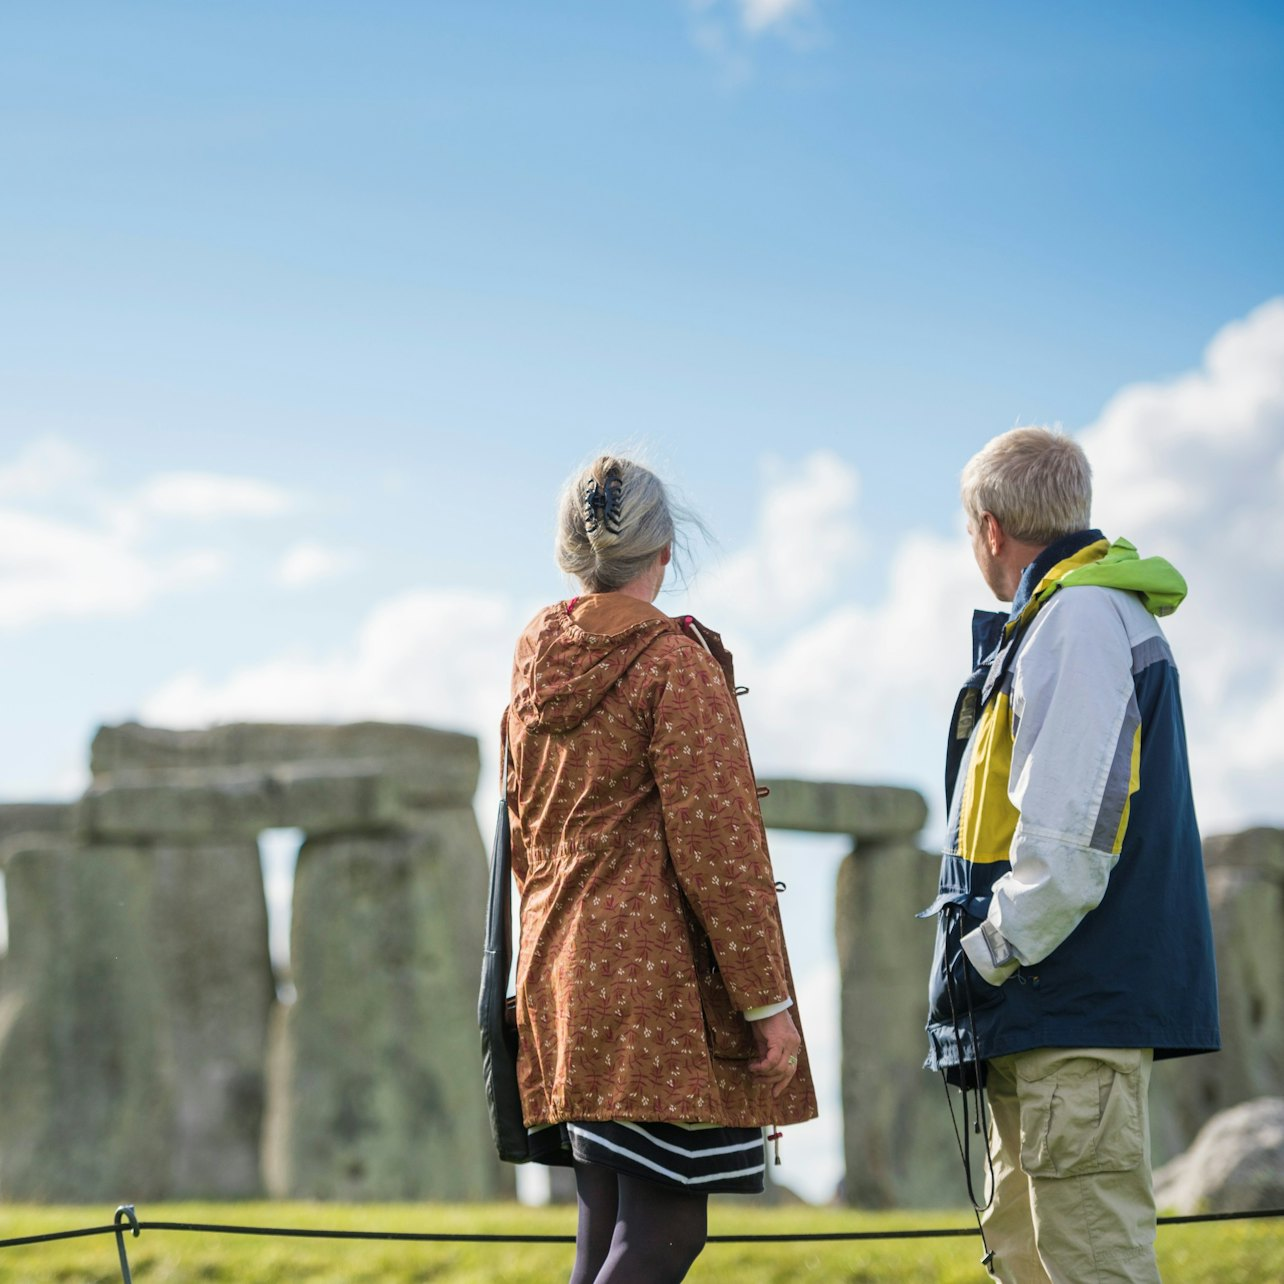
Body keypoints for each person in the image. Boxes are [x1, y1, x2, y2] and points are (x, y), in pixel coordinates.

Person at [505, 455, 817, 1284]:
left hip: (562, 982)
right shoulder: (672, 665)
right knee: (665, 1233)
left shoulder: (535, 659)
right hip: (656, 1000)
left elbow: (521, 828)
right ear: (666, 553)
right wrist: (767, 1002)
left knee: (606, 1228)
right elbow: (720, 846)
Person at [922, 427, 1219, 1284]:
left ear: (989, 527)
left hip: (1067, 1003)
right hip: (1043, 1009)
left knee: (1092, 1264)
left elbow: (1069, 846)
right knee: (1028, 1260)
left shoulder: (1080, 620)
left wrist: (983, 956)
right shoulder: (1063, 619)